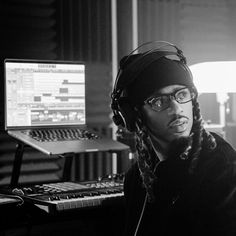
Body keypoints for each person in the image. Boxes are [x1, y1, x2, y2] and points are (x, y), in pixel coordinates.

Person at [111, 41, 236, 236]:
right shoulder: (137, 179)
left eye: (182, 94)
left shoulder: (224, 170)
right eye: (159, 101)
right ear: (135, 116)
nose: (176, 109)